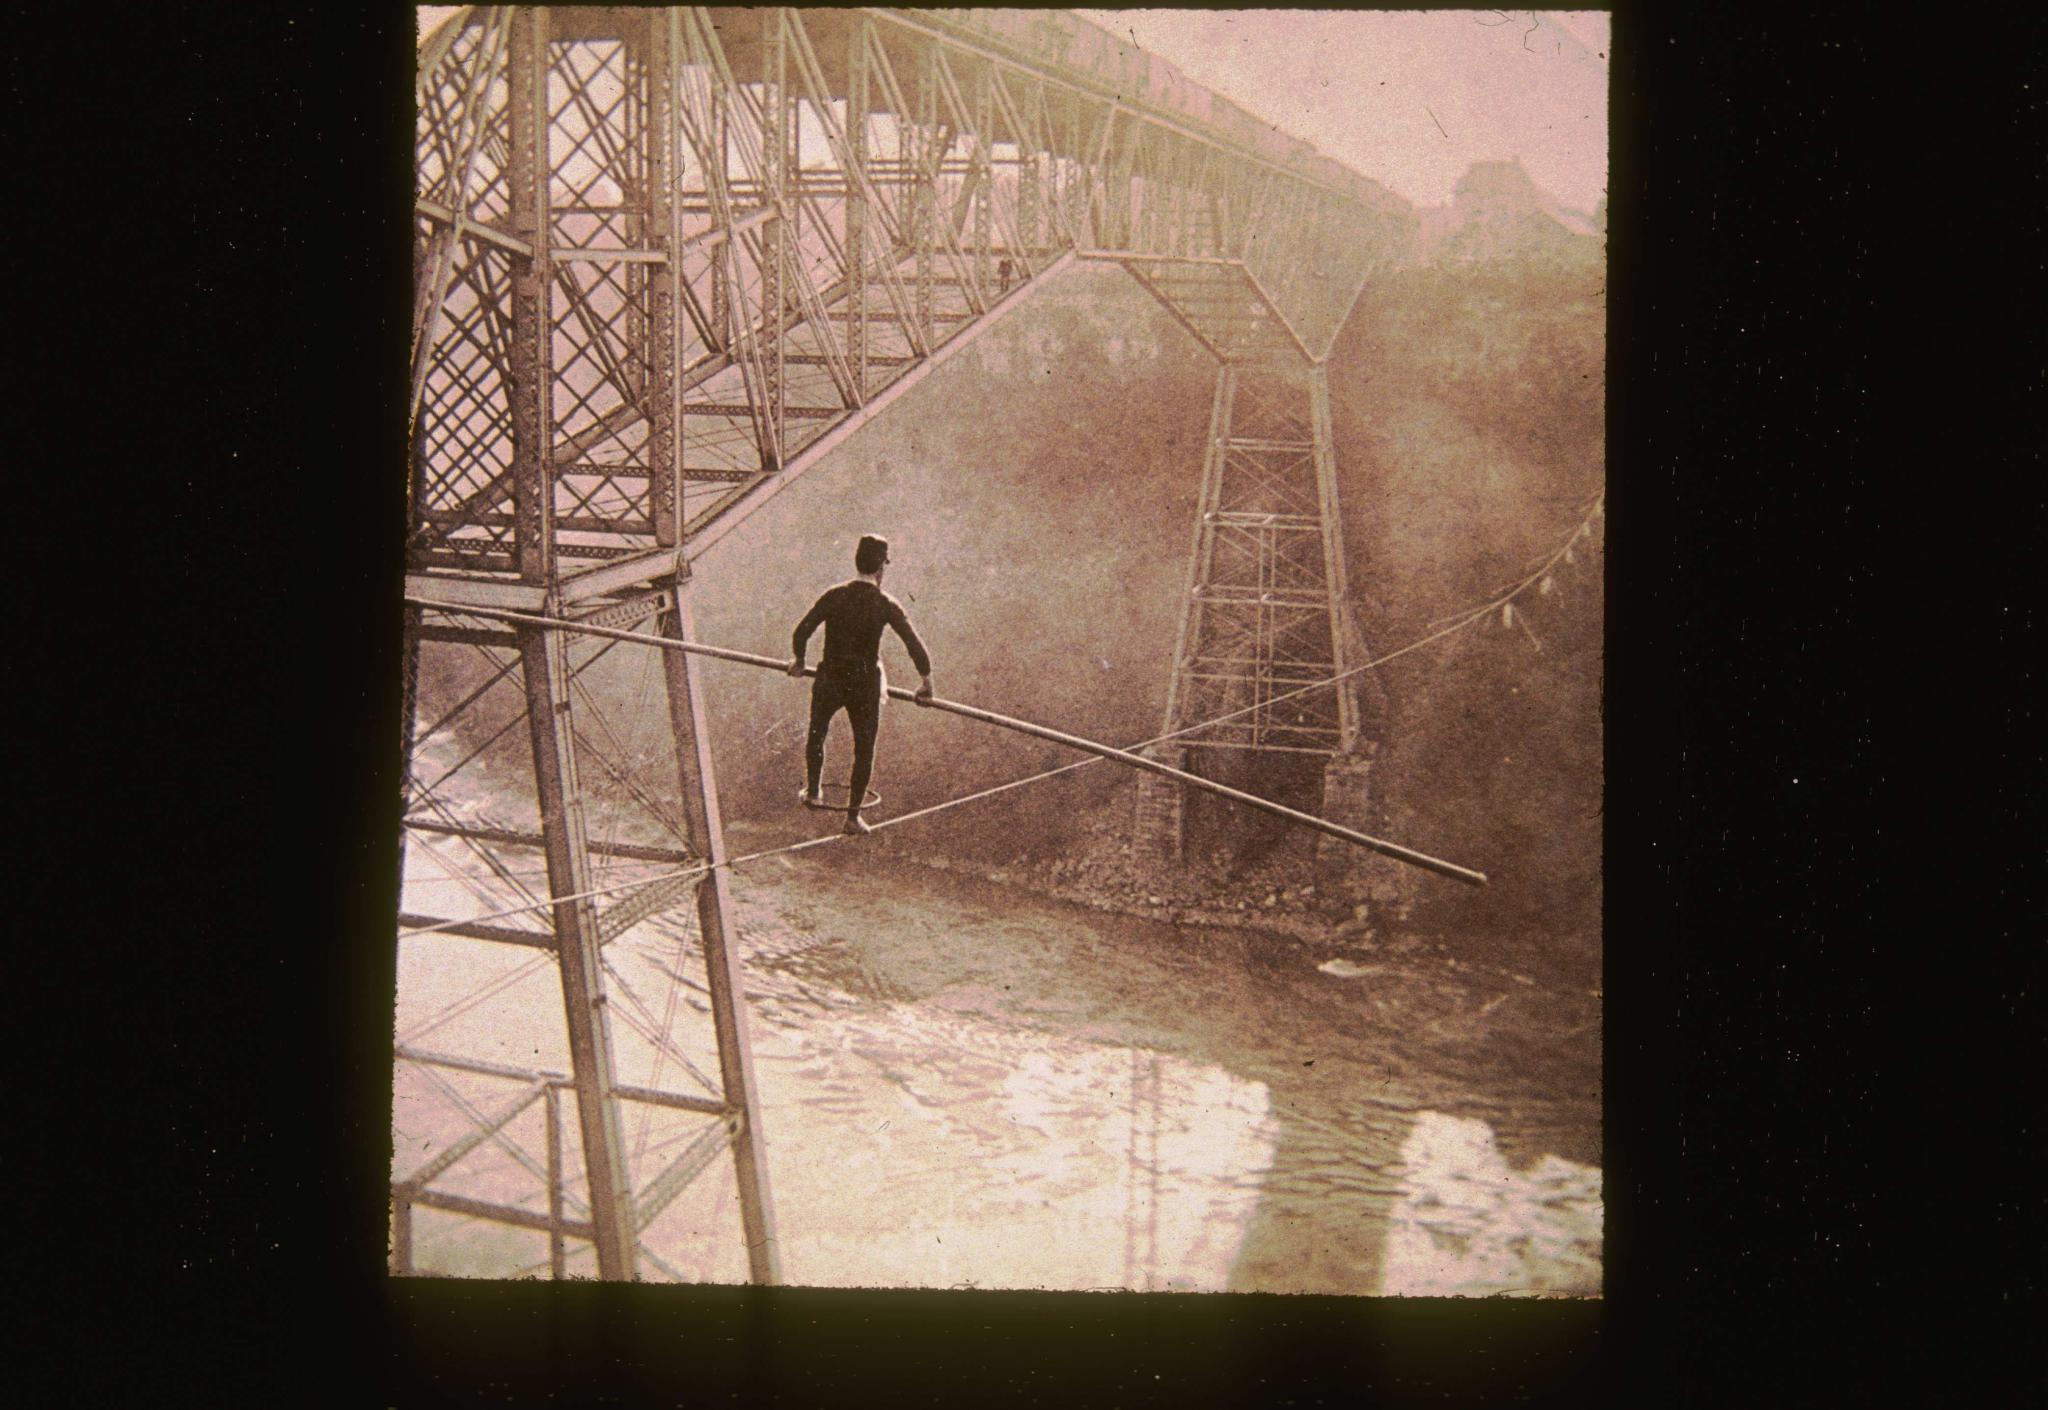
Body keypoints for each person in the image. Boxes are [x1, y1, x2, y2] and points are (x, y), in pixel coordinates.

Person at [788, 534, 934, 835]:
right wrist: (926, 684)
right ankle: (853, 818)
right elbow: (914, 645)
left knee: (817, 732)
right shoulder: (885, 603)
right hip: (864, 684)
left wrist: (800, 662)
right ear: (881, 566)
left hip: (831, 678)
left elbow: (801, 631)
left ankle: (814, 791)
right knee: (864, 748)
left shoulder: (834, 595)